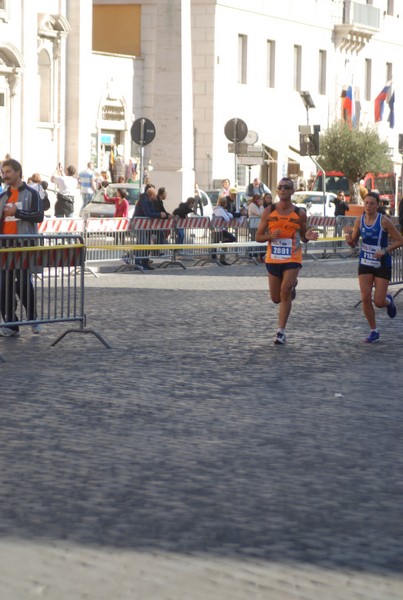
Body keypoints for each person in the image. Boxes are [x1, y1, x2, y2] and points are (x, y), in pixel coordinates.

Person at [256, 177, 319, 344]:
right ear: (277, 191)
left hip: (292, 257)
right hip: (273, 258)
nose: (283, 190)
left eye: (287, 187)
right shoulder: (269, 211)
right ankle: (291, 288)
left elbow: (304, 236)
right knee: (276, 298)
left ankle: (280, 332)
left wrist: (309, 236)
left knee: (284, 291)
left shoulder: (299, 213)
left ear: (292, 191)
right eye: (280, 187)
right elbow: (258, 237)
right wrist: (270, 236)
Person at [345, 191, 403, 343]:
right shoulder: (359, 220)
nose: (368, 206)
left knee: (378, 301)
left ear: (377, 205)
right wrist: (348, 238)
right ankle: (374, 331)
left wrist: (384, 251)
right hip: (365, 262)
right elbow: (354, 242)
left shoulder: (384, 221)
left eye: (372, 203)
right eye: (366, 203)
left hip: (381, 264)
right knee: (365, 298)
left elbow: (399, 240)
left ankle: (388, 301)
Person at [0, 158, 44, 336]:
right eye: (3, 172)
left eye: (8, 172)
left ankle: (33, 317)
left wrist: (16, 212)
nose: (5, 175)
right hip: (5, 247)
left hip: (24, 246)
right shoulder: (3, 196)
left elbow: (39, 215)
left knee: (23, 284)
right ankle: (11, 324)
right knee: (3, 286)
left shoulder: (32, 194)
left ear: (18, 172)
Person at [133, 184, 167, 270]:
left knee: (145, 244)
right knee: (143, 244)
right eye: (154, 196)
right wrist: (159, 214)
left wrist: (160, 214)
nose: (154, 199)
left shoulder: (148, 200)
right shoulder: (144, 200)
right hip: (138, 225)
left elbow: (152, 211)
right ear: (151, 195)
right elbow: (148, 213)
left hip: (144, 226)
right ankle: (137, 262)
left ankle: (144, 262)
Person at [211, 196, 236, 265]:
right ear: (225, 204)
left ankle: (214, 258)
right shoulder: (221, 210)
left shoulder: (215, 209)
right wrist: (227, 214)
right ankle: (221, 259)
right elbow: (227, 218)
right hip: (221, 230)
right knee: (232, 238)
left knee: (214, 244)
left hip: (215, 230)